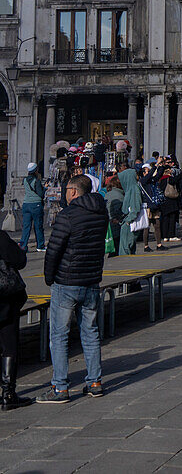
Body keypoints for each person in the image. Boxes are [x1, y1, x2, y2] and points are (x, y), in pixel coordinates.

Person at [36, 174, 109, 403]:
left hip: (66, 281)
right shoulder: (101, 213)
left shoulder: (67, 215)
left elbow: (54, 250)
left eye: (66, 189)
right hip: (91, 280)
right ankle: (94, 382)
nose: (64, 193)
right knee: (90, 333)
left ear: (74, 191)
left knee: (59, 335)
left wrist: (49, 277)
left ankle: (60, 387)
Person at [0, 228, 32, 409]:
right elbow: (19, 260)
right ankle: (8, 393)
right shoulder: (1, 237)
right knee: (9, 343)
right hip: (4, 299)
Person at [20, 162, 45, 253]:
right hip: (36, 205)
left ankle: (23, 246)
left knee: (26, 227)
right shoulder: (37, 181)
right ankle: (40, 245)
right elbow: (41, 194)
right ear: (35, 170)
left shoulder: (25, 180)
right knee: (38, 226)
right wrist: (45, 188)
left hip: (26, 204)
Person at [139, 163, 165, 251]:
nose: (149, 173)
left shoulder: (151, 181)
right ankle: (146, 246)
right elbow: (150, 175)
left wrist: (161, 166)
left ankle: (159, 244)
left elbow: (159, 175)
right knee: (147, 226)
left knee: (157, 225)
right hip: (147, 206)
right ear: (143, 173)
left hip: (154, 204)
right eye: (147, 171)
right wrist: (155, 165)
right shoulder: (143, 181)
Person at [118, 165, 142, 255]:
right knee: (129, 246)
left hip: (129, 223)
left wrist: (128, 220)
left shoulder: (133, 189)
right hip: (128, 221)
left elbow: (135, 207)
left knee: (125, 247)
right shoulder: (131, 189)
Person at [103, 173, 124, 256]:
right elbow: (118, 211)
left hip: (108, 222)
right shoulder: (119, 196)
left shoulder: (108, 194)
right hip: (115, 223)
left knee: (112, 248)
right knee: (116, 247)